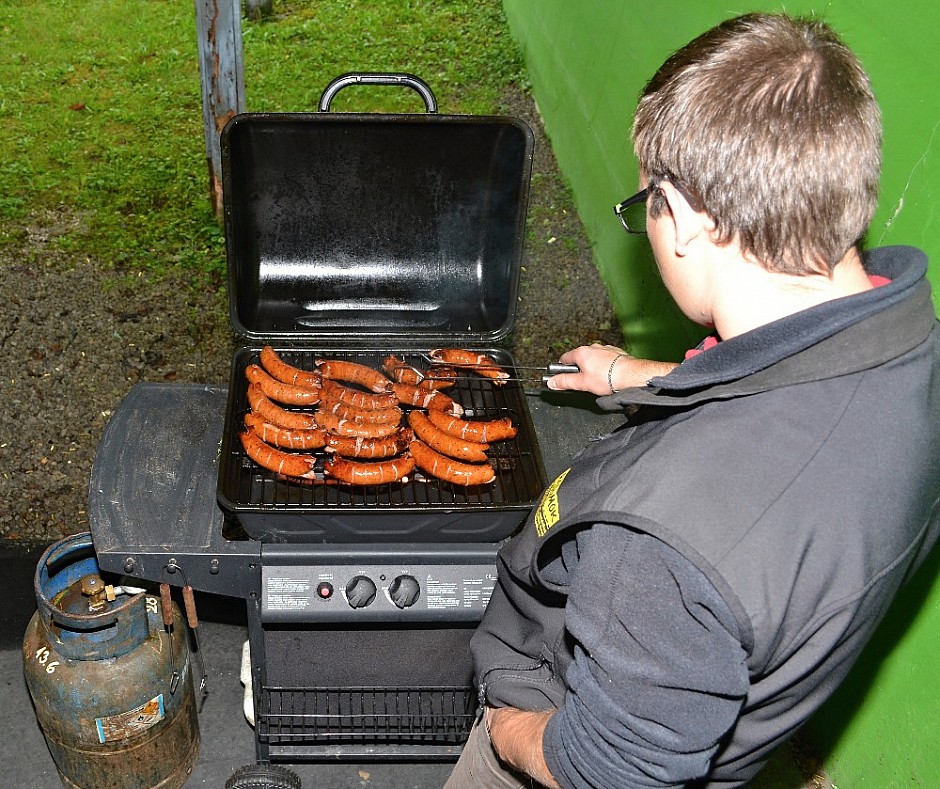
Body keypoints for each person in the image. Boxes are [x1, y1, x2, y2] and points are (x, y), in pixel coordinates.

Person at [444, 12, 940, 789]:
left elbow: (606, 768)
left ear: (687, 221)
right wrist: (634, 374)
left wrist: (504, 731)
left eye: (648, 199)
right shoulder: (913, 348)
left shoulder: (662, 553)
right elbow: (775, 377)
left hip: (560, 724)